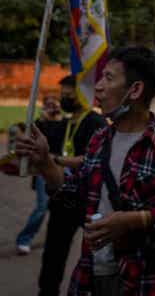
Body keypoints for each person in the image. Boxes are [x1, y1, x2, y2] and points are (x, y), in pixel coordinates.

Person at [15, 46, 155, 295]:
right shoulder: (99, 140)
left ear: (135, 90)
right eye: (101, 77)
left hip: (145, 282)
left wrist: (131, 221)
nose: (99, 86)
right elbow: (76, 195)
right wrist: (46, 163)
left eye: (109, 78)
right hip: (90, 276)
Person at [39, 76, 108, 296]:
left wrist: (56, 160)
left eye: (70, 93)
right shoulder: (64, 123)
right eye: (63, 93)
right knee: (53, 254)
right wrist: (42, 121)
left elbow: (90, 158)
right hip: (62, 196)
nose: (65, 97)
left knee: (95, 253)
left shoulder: (95, 123)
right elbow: (40, 142)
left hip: (87, 198)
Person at [15, 95, 65, 255]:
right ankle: (24, 239)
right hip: (44, 170)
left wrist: (57, 117)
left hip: (62, 168)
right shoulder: (39, 124)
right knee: (42, 207)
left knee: (61, 208)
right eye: (48, 105)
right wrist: (43, 121)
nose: (52, 107)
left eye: (54, 104)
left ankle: (55, 240)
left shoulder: (65, 123)